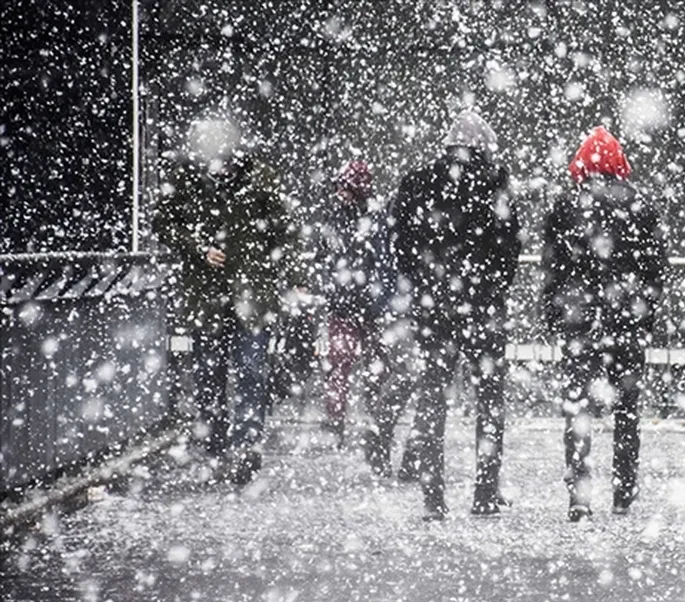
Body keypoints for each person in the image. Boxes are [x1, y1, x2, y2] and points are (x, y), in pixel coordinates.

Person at [372, 110, 522, 519]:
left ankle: (433, 498)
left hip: (433, 306)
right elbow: (509, 247)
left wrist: (422, 284)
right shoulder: (495, 184)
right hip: (482, 308)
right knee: (489, 399)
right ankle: (485, 491)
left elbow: (398, 240)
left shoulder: (418, 182)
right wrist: (490, 288)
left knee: (431, 396)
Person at [153, 117, 304, 484]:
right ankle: (218, 444)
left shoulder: (260, 180)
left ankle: (245, 448)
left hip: (250, 294)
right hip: (209, 296)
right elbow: (162, 223)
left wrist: (291, 277)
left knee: (250, 372)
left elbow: (286, 231)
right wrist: (198, 248)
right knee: (209, 374)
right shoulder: (187, 181)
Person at [542, 126, 665, 521]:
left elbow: (553, 268)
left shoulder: (565, 206)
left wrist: (555, 313)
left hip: (581, 323)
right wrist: (646, 313)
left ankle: (579, 495)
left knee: (578, 408)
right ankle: (623, 491)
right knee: (627, 410)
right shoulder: (641, 205)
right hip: (626, 321)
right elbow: (654, 270)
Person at [317, 159, 382, 443]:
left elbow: (326, 256)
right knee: (362, 365)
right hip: (361, 303)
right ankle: (369, 416)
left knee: (342, 365)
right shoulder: (371, 216)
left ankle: (340, 420)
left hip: (349, 303)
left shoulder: (337, 217)